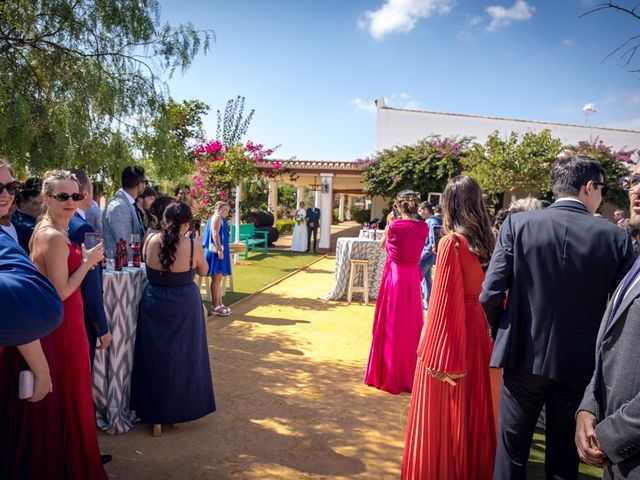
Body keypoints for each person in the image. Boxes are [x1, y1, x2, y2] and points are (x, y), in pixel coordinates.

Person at [481, 155, 635, 480]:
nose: (601, 196)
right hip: (580, 364)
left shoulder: (518, 224)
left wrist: (503, 332)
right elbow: (621, 311)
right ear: (589, 187)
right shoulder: (615, 237)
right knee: (564, 459)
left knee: (511, 454)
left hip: (522, 356)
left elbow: (490, 293)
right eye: (602, 188)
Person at [402, 175, 497, 479]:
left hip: (453, 334)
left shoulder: (451, 243)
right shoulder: (491, 240)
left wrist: (436, 356)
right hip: (481, 331)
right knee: (475, 408)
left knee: (446, 411)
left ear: (449, 204)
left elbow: (443, 301)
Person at [24, 170, 106, 478]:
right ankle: (72, 466)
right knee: (71, 396)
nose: (71, 202)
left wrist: (82, 260)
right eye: (62, 196)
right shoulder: (54, 236)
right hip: (64, 325)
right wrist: (87, 264)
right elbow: (61, 291)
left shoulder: (50, 229)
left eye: (75, 195)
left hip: (60, 322)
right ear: (46, 198)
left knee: (67, 396)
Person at [0, 159, 66, 480]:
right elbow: (36, 302)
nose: (6, 194)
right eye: (62, 196)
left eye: (10, 187)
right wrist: (40, 367)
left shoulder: (16, 229)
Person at [576, 168, 640, 479]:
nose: (636, 190)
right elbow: (610, 344)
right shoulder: (635, 258)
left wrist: (611, 435)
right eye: (635, 180)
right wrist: (589, 406)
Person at [131, 201, 215, 437]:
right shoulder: (192, 244)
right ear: (187, 223)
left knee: (153, 358)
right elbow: (204, 270)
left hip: (154, 301)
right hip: (183, 305)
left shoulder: (150, 240)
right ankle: (177, 411)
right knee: (183, 357)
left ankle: (154, 414)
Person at [364, 190, 428, 394]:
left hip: (395, 278)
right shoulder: (423, 227)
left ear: (399, 206)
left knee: (392, 323)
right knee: (411, 324)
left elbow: (384, 245)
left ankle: (390, 373)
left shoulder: (394, 225)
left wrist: (389, 224)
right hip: (412, 277)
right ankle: (410, 374)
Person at [68, 168, 112, 365]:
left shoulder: (57, 222)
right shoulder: (84, 228)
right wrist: (101, 326)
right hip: (81, 316)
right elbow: (91, 282)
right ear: (85, 193)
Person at [102, 165, 147, 257]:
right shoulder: (119, 207)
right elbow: (124, 245)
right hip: (122, 268)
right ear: (139, 184)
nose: (145, 185)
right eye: (145, 182)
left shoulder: (127, 203)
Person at [202, 201, 232, 316]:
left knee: (218, 278)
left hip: (219, 250)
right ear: (218, 209)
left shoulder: (219, 218)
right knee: (216, 277)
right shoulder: (217, 217)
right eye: (225, 210)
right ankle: (216, 306)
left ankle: (220, 303)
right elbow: (215, 233)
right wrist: (219, 249)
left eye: (227, 211)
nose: (226, 213)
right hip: (215, 252)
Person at [417, 201, 440, 311]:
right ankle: (428, 303)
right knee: (427, 281)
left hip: (425, 257)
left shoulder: (431, 222)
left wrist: (421, 255)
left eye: (420, 210)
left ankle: (418, 302)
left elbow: (432, 243)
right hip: (429, 257)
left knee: (417, 279)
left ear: (426, 210)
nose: (419, 212)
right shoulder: (430, 221)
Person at [12, 188, 42, 253]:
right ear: (23, 206)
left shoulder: (13, 217)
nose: (40, 207)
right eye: (34, 204)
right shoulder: (29, 228)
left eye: (41, 203)